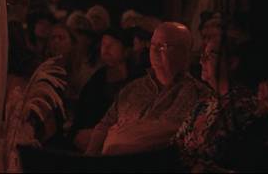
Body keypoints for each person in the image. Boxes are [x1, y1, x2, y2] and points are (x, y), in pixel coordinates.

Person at [85, 22, 209, 156]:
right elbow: (105, 125)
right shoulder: (132, 89)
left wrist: (119, 135)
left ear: (184, 53)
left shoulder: (197, 95)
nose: (154, 51)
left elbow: (175, 136)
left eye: (162, 46)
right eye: (152, 45)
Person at [175, 33, 268, 171]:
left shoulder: (246, 106)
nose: (202, 60)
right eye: (202, 54)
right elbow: (177, 142)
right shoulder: (204, 102)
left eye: (211, 55)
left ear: (232, 63)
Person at [72, 28, 133, 151]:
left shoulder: (137, 80)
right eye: (104, 44)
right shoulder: (96, 80)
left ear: (126, 50)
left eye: (112, 44)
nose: (106, 48)